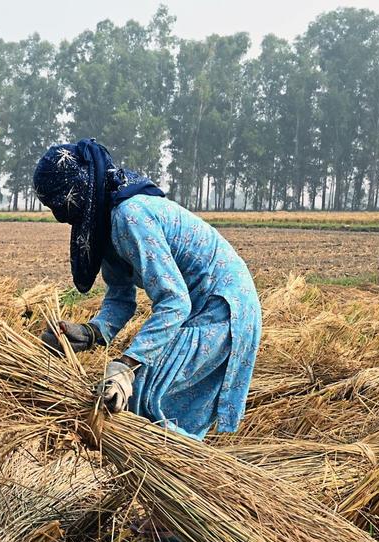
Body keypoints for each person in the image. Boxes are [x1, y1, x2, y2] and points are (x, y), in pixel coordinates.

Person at [33, 139, 261, 440]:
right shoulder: (106, 224)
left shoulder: (130, 216)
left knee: (139, 396)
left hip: (222, 308)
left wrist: (127, 366)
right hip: (204, 308)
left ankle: (180, 478)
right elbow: (120, 297)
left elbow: (174, 301)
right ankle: (180, 478)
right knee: (152, 408)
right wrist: (90, 333)